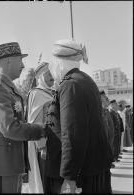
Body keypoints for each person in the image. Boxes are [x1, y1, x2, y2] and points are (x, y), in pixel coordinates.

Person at [0, 42, 51, 193]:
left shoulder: (7, 87)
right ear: (8, 61)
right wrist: (42, 129)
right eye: (19, 60)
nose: (23, 66)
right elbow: (10, 128)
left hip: (9, 160)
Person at [47, 39, 112, 193]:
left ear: (59, 63)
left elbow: (73, 134)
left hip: (81, 175)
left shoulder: (70, 85)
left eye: (52, 63)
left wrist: (69, 177)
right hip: (90, 168)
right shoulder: (84, 80)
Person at [26, 62, 54, 193]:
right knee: (44, 179)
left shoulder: (51, 92)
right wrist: (42, 146)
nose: (52, 77)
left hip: (54, 142)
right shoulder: (36, 93)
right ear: (41, 77)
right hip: (43, 146)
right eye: (48, 74)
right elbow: (35, 122)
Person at [100, 90, 115, 168]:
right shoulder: (99, 111)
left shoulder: (105, 111)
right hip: (103, 138)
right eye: (106, 98)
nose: (107, 100)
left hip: (108, 136)